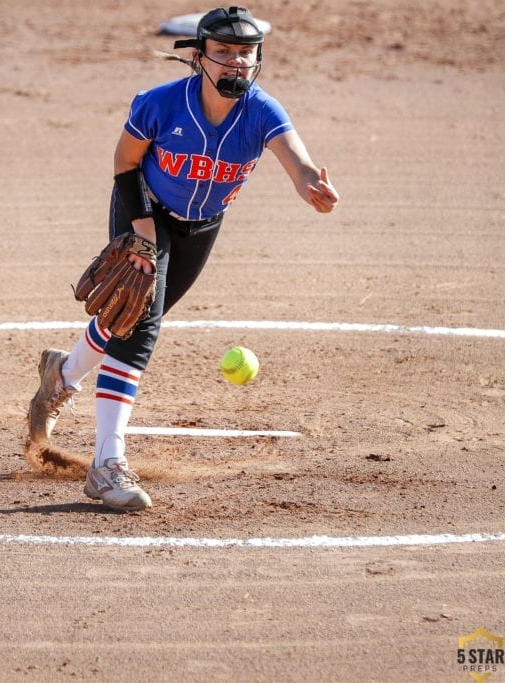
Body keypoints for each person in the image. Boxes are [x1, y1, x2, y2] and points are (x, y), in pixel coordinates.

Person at [26, 6, 339, 512]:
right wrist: (144, 237)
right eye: (223, 52)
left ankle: (62, 375)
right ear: (199, 57)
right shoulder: (160, 104)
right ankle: (106, 466)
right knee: (140, 327)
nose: (235, 62)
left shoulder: (263, 111)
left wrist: (312, 186)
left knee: (128, 316)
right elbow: (124, 163)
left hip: (202, 226)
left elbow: (297, 161)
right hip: (144, 208)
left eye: (245, 53)